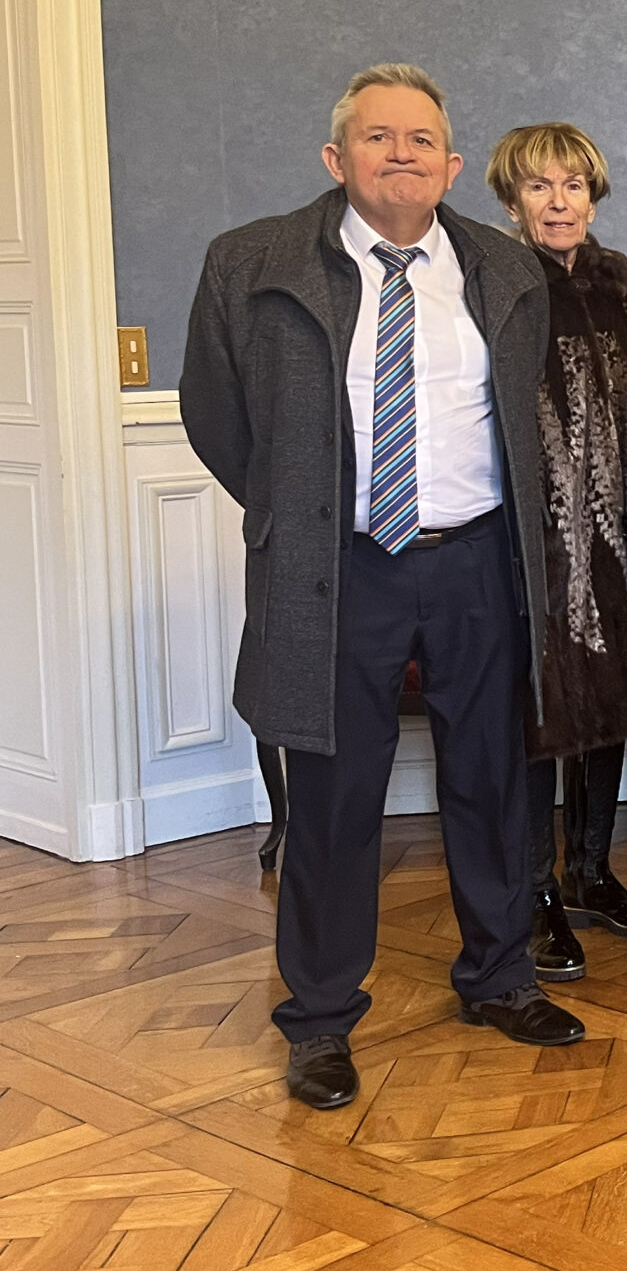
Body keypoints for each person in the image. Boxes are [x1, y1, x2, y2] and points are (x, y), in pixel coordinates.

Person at [180, 64, 583, 1112]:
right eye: (377, 137)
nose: (400, 154)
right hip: (339, 565)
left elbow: (523, 412)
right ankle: (319, 1017)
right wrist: (300, 510)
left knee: (493, 778)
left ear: (452, 165)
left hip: (478, 559)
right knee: (333, 792)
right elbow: (215, 414)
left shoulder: (505, 267)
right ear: (336, 158)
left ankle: (499, 976)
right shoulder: (252, 263)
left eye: (421, 141)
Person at [485, 121, 627, 984]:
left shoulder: (620, 280)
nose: (558, 202)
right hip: (530, 541)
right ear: (510, 199)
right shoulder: (494, 280)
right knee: (537, 714)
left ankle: (591, 871)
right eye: (539, 186)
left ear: (592, 197)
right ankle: (532, 894)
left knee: (609, 704)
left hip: (618, 537)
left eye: (573, 186)